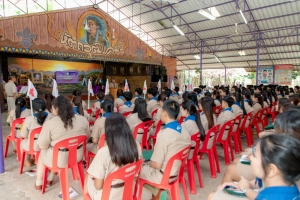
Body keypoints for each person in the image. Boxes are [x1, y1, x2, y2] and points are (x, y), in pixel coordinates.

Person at [209, 134, 300, 200]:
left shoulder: (269, 197)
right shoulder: (286, 185)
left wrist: (246, 189)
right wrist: (240, 185)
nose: (251, 157)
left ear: (271, 169)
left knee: (214, 195)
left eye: (255, 155)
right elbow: (260, 185)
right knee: (219, 190)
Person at [35, 95, 89, 190]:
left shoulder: (50, 123)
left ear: (56, 108)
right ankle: (50, 177)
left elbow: (42, 146)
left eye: (52, 109)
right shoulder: (83, 120)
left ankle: (39, 182)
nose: (52, 111)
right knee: (55, 151)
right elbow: (87, 137)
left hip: (59, 160)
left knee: (43, 153)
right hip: (77, 157)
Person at [140, 100, 191, 199]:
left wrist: (147, 163)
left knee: (136, 170)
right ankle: (158, 194)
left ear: (165, 113)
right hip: (176, 173)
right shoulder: (185, 132)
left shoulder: (164, 135)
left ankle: (158, 193)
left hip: (162, 176)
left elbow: (157, 165)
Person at [84, 113, 142, 200]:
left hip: (107, 196)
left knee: (87, 177)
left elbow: (98, 186)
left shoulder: (103, 153)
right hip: (128, 191)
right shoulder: (136, 146)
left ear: (108, 131)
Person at [20, 98, 49, 167]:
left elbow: (23, 135)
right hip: (47, 144)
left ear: (33, 108)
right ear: (45, 106)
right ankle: (37, 159)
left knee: (22, 142)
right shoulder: (51, 117)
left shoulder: (29, 119)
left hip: (34, 146)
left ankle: (27, 160)